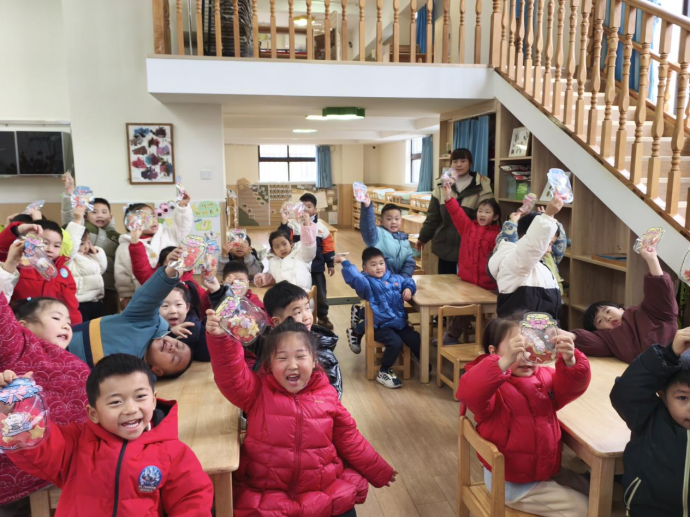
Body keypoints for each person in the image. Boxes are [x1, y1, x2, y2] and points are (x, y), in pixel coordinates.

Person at [206, 316, 397, 517]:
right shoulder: (257, 392)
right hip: (266, 493)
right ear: (269, 363)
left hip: (321, 489)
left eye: (300, 356)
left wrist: (379, 470)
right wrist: (220, 339)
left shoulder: (327, 396)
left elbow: (350, 438)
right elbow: (231, 376)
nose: (292, 365)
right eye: (282, 358)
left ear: (314, 360)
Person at [5, 354, 214, 517]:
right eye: (116, 402)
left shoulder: (174, 453)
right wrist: (14, 406)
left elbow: (191, 502)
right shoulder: (76, 442)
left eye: (140, 397)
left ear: (153, 400)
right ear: (93, 413)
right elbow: (35, 445)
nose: (131, 409)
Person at [457, 316, 591, 517]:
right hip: (511, 485)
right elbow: (470, 392)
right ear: (494, 352)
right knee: (586, 509)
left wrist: (571, 361)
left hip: (542, 471)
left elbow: (571, 389)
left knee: (594, 490)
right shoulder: (493, 388)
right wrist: (503, 363)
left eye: (534, 347)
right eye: (518, 349)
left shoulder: (543, 377)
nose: (527, 356)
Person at [0, 241, 90, 508]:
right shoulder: (19, 345)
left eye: (68, 322)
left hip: (78, 457)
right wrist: (9, 267)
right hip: (34, 467)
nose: (66, 325)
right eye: (56, 319)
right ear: (23, 326)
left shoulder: (66, 356)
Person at [67, 254, 193, 379]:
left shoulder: (134, 377)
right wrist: (170, 273)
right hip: (63, 339)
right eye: (178, 345)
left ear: (157, 370)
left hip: (64, 375)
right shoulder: (146, 321)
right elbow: (150, 296)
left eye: (173, 358)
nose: (172, 348)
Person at [610, 328, 690, 517]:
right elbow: (627, 391)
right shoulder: (649, 418)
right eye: (682, 398)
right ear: (662, 396)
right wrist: (668, 355)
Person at [560, 246, 678, 364]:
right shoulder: (609, 340)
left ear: (621, 309)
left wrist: (651, 259)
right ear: (598, 332)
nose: (607, 317)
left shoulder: (646, 312)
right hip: (651, 371)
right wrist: (564, 334)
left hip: (678, 362)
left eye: (607, 311)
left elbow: (661, 294)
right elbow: (587, 340)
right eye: (600, 321)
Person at [339, 247, 421, 389]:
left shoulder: (395, 278)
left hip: (399, 323)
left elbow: (408, 280)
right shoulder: (366, 283)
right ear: (365, 268)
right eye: (373, 264)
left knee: (415, 338)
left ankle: (421, 360)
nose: (378, 267)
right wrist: (344, 261)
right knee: (395, 342)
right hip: (380, 326)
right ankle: (384, 371)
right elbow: (356, 278)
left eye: (381, 263)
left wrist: (408, 288)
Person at [417, 148, 494, 274]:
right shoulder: (441, 185)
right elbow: (433, 217)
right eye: (455, 161)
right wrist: (423, 237)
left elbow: (488, 215)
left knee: (466, 281)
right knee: (445, 281)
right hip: (445, 244)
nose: (459, 165)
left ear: (470, 163)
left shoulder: (482, 185)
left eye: (463, 161)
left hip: (471, 245)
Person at [263, 281, 343, 399]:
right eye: (298, 312)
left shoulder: (323, 351)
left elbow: (334, 395)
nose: (306, 316)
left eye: (307, 308)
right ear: (277, 321)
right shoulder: (268, 345)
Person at [488, 197, 564, 318]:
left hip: (541, 328)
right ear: (526, 237)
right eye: (547, 243)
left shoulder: (539, 265)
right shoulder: (515, 262)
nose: (550, 250)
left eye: (551, 244)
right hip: (519, 328)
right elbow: (532, 246)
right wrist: (548, 216)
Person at [115, 193, 193, 308]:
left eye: (153, 216)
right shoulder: (125, 245)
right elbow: (122, 274)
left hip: (174, 292)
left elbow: (182, 226)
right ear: (132, 223)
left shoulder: (168, 234)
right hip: (144, 294)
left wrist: (182, 207)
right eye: (144, 218)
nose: (152, 220)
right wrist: (126, 295)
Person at [0, 219, 82, 325]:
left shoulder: (63, 273)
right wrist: (17, 229)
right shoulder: (20, 264)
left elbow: (71, 307)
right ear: (32, 241)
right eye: (45, 243)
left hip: (50, 329)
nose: (50, 249)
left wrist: (76, 328)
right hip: (18, 325)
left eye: (56, 246)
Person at [61, 172, 121, 316]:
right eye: (94, 212)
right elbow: (71, 222)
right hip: (84, 289)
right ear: (86, 215)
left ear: (110, 216)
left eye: (104, 212)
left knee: (109, 318)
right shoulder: (82, 230)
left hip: (109, 286)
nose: (100, 215)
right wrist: (69, 195)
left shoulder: (115, 236)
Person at [279, 193, 336, 330]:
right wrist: (284, 222)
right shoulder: (293, 225)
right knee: (299, 291)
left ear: (315, 209)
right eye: (302, 207)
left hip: (316, 267)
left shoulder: (321, 227)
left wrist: (330, 264)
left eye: (309, 207)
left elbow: (328, 246)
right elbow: (283, 238)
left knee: (320, 293)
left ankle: (322, 316)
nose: (305, 210)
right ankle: (298, 316)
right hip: (300, 266)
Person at [444, 184, 501, 291]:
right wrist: (448, 197)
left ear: (495, 217)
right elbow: (457, 212)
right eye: (480, 211)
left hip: (488, 286)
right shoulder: (467, 227)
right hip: (465, 282)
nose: (482, 214)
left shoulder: (498, 236)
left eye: (487, 212)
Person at [65, 207, 108, 321]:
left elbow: (101, 269)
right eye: (81, 243)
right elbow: (71, 243)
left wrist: (95, 253)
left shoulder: (88, 257)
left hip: (96, 303)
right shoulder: (69, 260)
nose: (86, 247)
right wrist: (78, 220)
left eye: (88, 242)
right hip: (80, 305)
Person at [254, 215, 316, 294]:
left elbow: (309, 245)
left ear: (291, 243)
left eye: (284, 244)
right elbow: (272, 277)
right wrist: (262, 279)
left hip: (303, 294)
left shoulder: (300, 254)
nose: (282, 248)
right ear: (273, 250)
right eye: (277, 247)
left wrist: (307, 227)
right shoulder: (273, 261)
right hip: (284, 296)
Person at [160, 281, 210, 363]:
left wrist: (170, 334)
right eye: (165, 305)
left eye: (178, 304)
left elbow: (205, 355)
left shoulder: (192, 326)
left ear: (187, 307)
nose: (173, 311)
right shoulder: (152, 325)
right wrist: (170, 332)